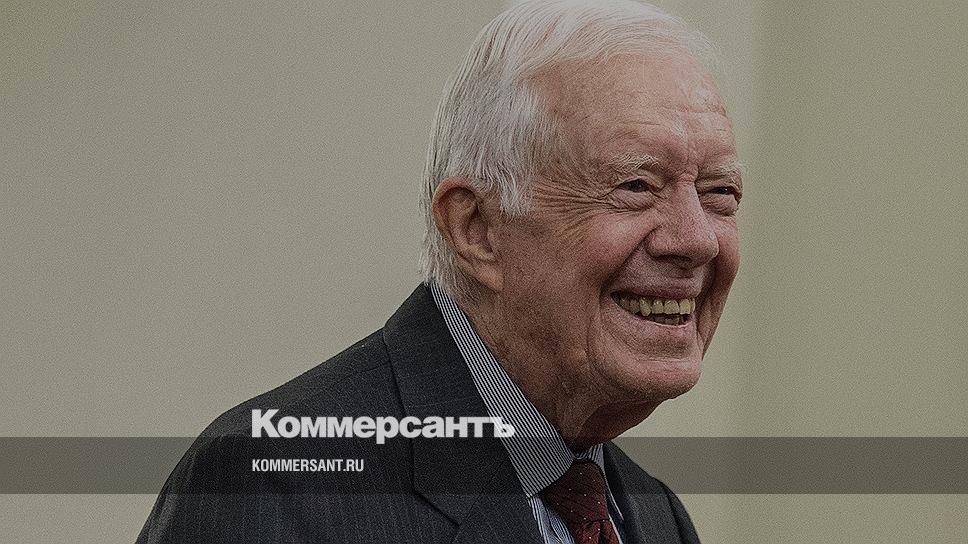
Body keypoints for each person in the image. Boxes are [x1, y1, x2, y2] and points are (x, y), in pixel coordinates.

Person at [137, 1, 742, 542]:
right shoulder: (273, 486)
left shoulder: (652, 516)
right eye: (636, 186)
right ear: (476, 229)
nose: (696, 240)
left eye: (719, 193)